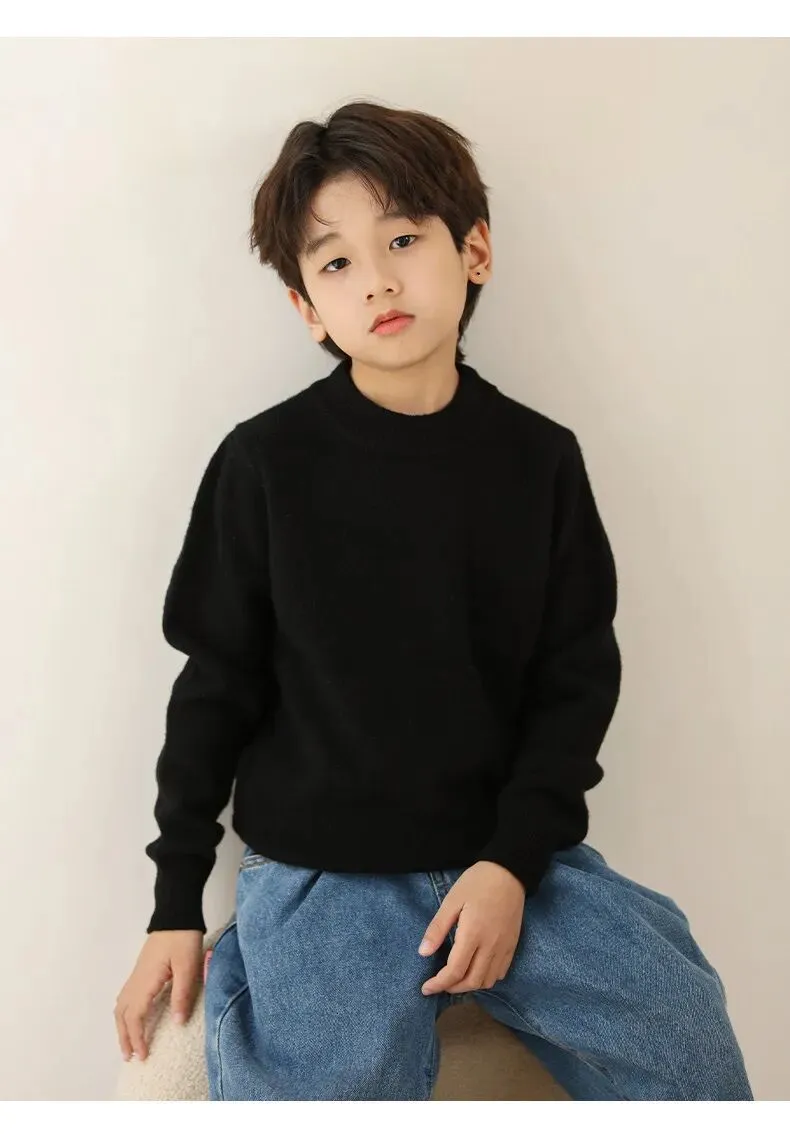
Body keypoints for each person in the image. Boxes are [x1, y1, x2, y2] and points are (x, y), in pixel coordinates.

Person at [114, 100, 753, 1101]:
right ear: (307, 308)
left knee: (684, 1030)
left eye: (404, 240)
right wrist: (174, 904)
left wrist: (510, 864)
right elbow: (214, 688)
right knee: (327, 1084)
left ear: (475, 250)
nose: (377, 279)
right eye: (336, 262)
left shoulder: (539, 460)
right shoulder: (265, 464)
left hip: (511, 860)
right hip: (325, 874)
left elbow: (575, 681)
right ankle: (262, 972)